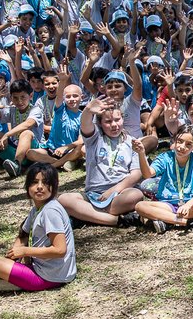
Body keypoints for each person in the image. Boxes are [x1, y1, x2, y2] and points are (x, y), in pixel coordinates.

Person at [0, 163, 77, 292]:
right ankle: (14, 280)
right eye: (34, 182)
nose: (39, 187)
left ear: (54, 186)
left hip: (50, 277)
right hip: (43, 270)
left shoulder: (51, 211)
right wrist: (13, 256)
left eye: (45, 183)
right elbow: (24, 235)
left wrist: (25, 251)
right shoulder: (38, 208)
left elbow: (60, 250)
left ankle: (15, 284)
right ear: (27, 186)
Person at [57, 97, 145, 228]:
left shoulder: (131, 142)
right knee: (63, 199)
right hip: (93, 195)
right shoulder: (94, 138)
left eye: (117, 119)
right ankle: (115, 220)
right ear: (100, 124)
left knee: (136, 195)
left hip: (119, 193)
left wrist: (114, 189)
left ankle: (87, 216)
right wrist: (87, 110)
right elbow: (86, 125)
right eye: (108, 121)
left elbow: (136, 173)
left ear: (123, 118)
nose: (114, 125)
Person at [133, 129, 193, 232]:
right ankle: (186, 222)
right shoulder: (165, 157)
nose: (182, 147)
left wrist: (188, 205)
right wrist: (141, 154)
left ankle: (167, 220)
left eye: (188, 144)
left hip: (189, 203)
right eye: (180, 141)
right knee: (140, 206)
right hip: (166, 204)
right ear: (174, 141)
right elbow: (147, 174)